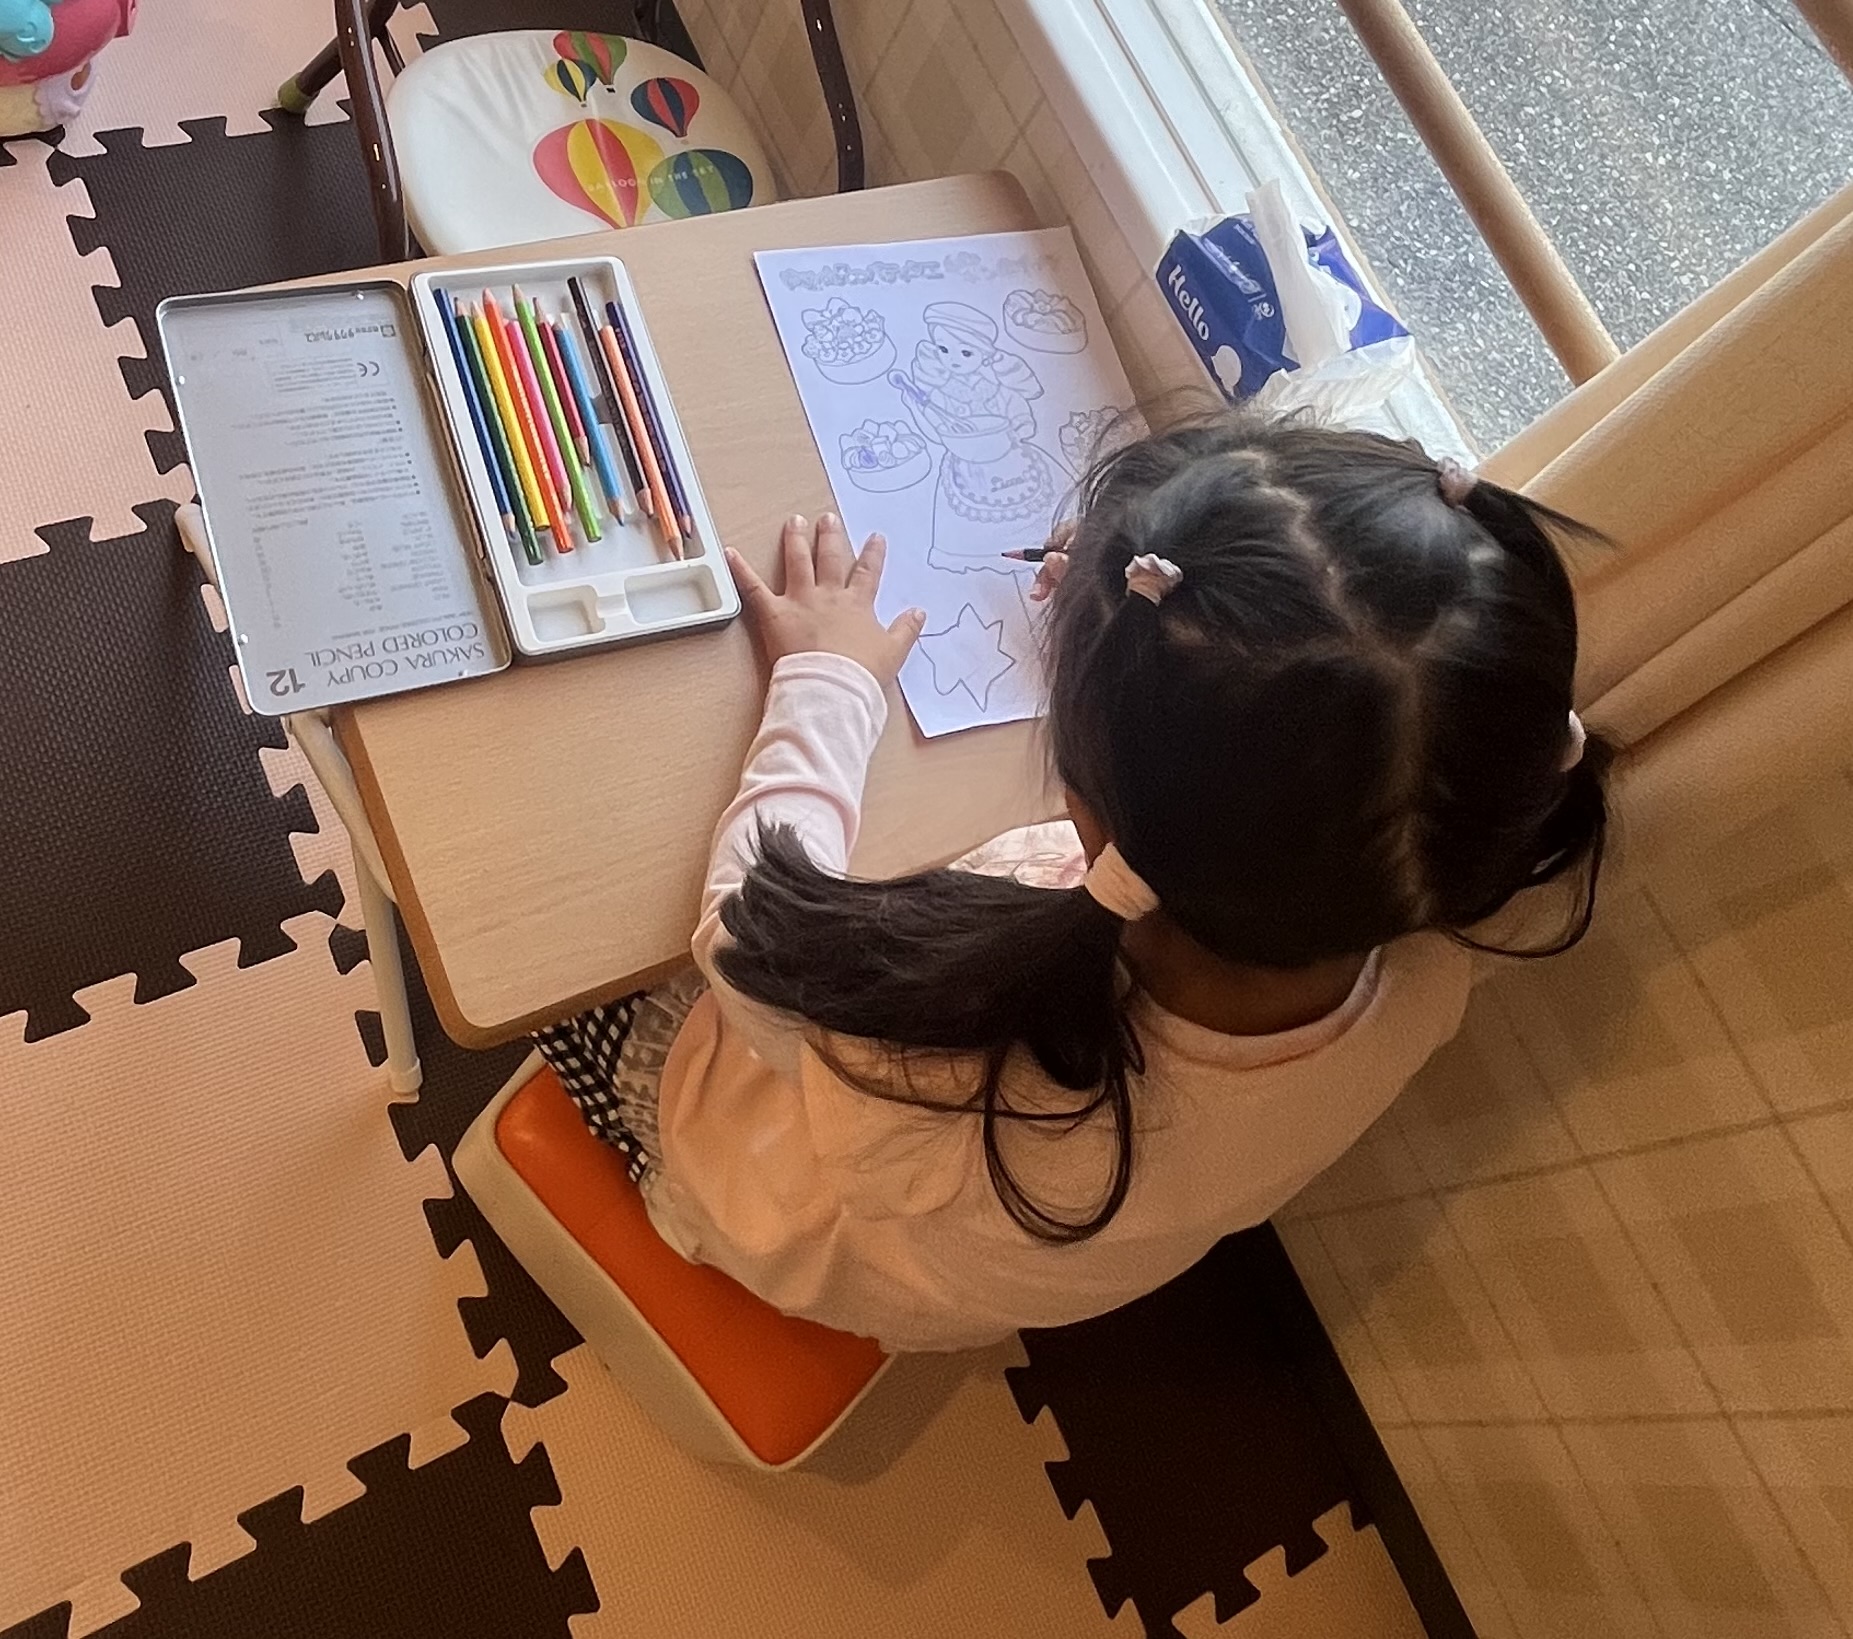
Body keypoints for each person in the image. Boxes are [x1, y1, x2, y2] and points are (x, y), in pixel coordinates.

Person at [535, 412, 1613, 1352]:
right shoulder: (1429, 958)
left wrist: (828, 678)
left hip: (778, 1209)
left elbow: (745, 925)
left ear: (1085, 813)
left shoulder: (937, 1057)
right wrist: (1132, 638)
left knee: (557, 956)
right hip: (958, 1269)